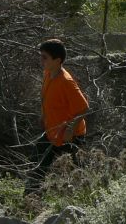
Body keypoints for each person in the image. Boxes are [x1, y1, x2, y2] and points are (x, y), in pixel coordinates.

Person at [26, 38, 90, 194]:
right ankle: (29, 200)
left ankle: (84, 200)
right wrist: (44, 116)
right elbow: (46, 98)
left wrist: (70, 129)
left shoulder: (66, 82)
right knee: (37, 164)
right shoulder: (48, 73)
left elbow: (84, 108)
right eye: (41, 56)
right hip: (52, 131)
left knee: (77, 174)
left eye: (45, 57)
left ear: (57, 60)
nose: (41, 60)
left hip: (72, 136)